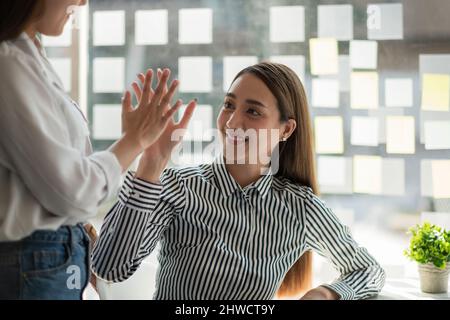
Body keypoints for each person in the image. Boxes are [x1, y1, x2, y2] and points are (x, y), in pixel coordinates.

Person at [91, 62, 386, 300]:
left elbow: (368, 269)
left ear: (286, 130)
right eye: (229, 105)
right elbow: (109, 267)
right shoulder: (178, 187)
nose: (232, 122)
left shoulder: (300, 207)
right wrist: (151, 163)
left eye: (253, 111)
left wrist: (327, 294)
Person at [0, 0, 195, 299]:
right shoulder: (9, 63)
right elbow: (72, 193)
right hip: (34, 263)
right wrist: (135, 143)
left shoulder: (27, 57)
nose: (82, 2)